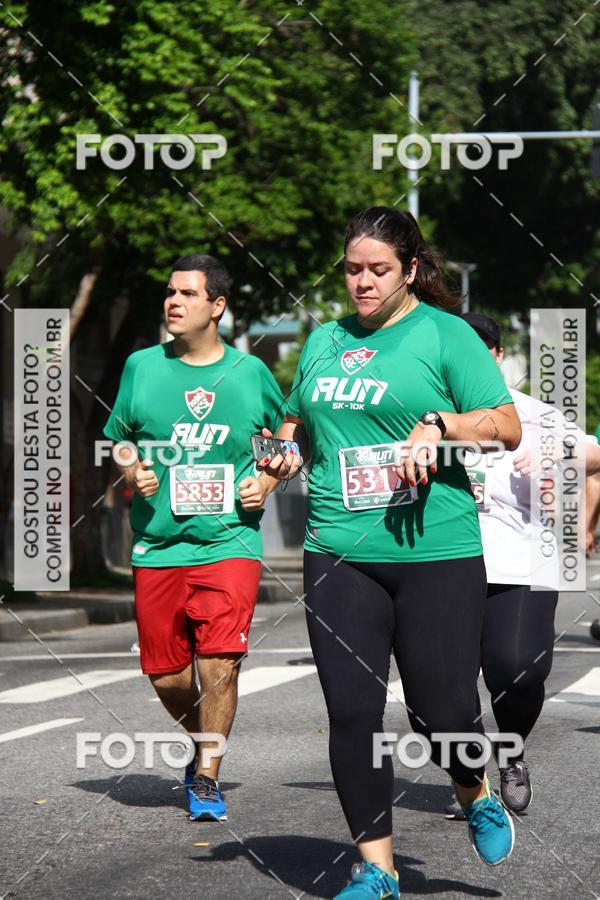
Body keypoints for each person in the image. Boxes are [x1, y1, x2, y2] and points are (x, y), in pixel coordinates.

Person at [240, 208, 522, 898]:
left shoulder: (445, 335)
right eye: (353, 269)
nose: (362, 283)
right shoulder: (323, 342)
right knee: (353, 712)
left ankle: (472, 785)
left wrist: (440, 425)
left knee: (442, 708)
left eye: (378, 270)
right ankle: (378, 871)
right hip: (338, 549)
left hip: (436, 550)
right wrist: (273, 464)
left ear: (411, 270)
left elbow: (507, 427)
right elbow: (298, 426)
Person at [103, 253, 284, 821]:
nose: (172, 302)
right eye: (169, 292)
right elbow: (121, 439)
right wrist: (132, 467)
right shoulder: (141, 367)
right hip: (158, 544)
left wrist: (269, 478)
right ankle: (206, 736)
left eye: (186, 293)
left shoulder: (250, 374)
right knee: (168, 675)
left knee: (220, 664)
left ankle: (207, 776)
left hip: (229, 541)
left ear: (218, 306)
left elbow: (289, 443)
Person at [444, 313, 599, 820]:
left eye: (478, 349)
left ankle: (510, 752)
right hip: (443, 562)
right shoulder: (429, 414)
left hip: (523, 560)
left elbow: (594, 452)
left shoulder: (531, 414)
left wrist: (554, 454)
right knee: (447, 682)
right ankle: (472, 780)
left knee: (517, 672)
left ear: (495, 356)